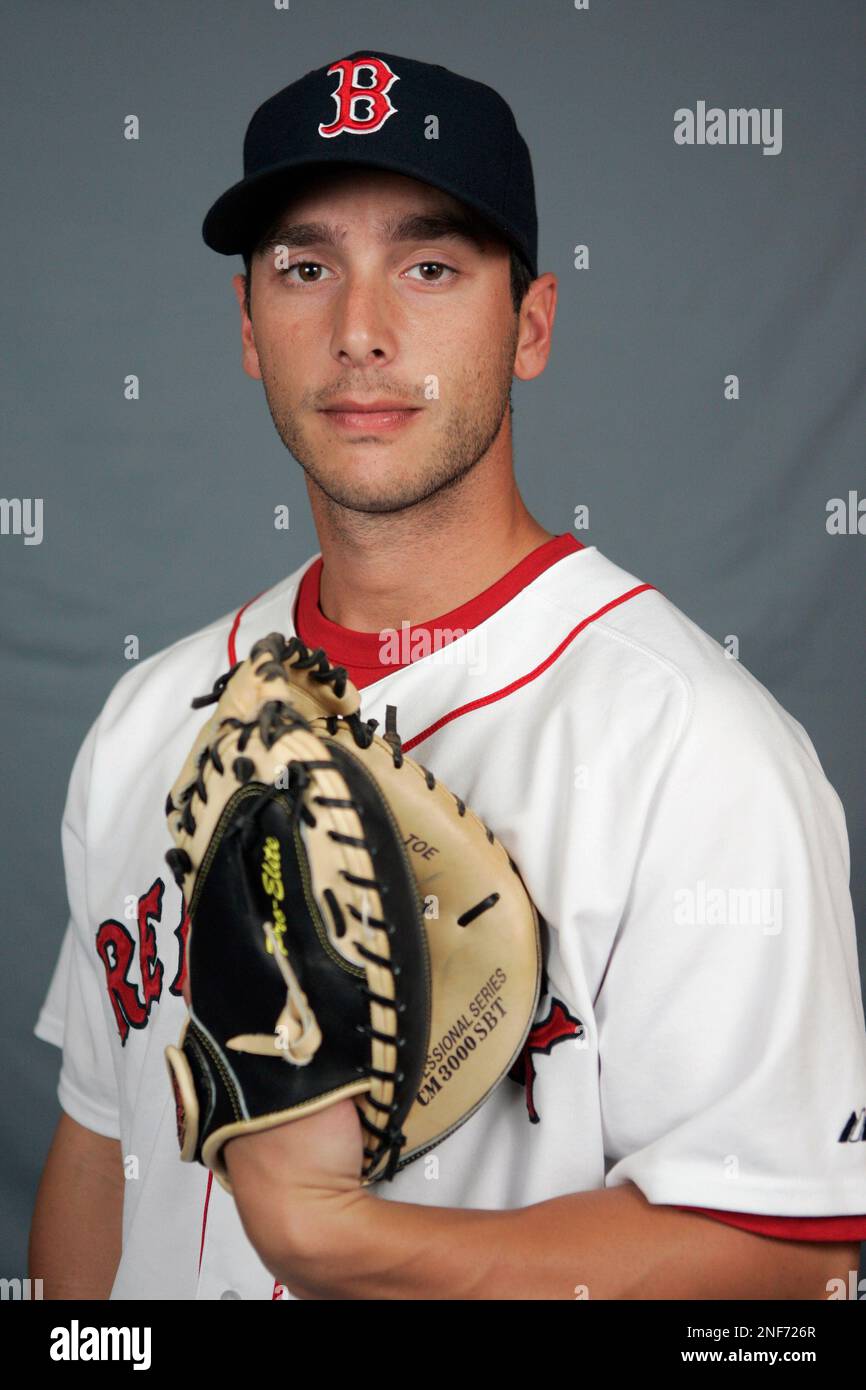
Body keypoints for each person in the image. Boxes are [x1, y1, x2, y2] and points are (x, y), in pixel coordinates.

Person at [30, 50, 866, 1300]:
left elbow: (782, 1263)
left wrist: (339, 1241)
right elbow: (102, 1153)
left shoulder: (692, 745)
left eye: (428, 266)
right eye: (305, 268)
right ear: (249, 329)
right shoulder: (149, 718)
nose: (361, 332)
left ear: (528, 325)